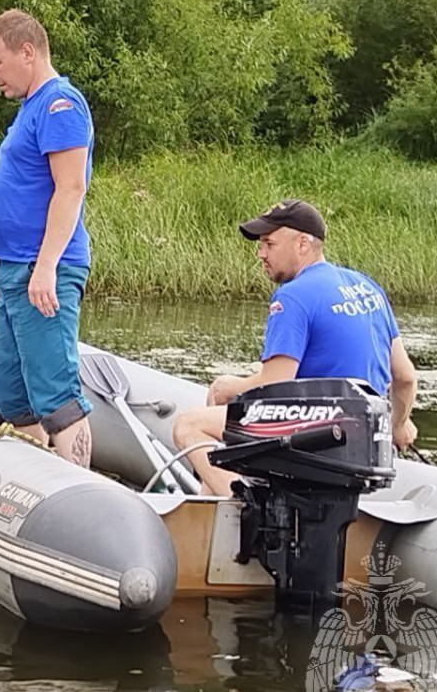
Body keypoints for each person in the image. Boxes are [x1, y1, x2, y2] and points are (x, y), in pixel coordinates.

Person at [171, 200, 418, 495]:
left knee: (188, 426)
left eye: (269, 243)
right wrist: (399, 425)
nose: (260, 254)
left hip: (316, 433)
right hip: (362, 436)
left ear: (302, 244)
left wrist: (229, 387)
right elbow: (405, 378)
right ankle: (215, 506)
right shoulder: (367, 287)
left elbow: (274, 386)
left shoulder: (292, 297)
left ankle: (243, 506)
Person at [0, 8, 94, 467]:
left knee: (54, 391)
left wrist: (45, 266)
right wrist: (0, 259)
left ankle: (81, 495)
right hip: (15, 263)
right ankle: (35, 479)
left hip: (44, 268)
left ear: (27, 52)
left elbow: (70, 188)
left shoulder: (59, 104)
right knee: (13, 391)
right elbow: (26, 189)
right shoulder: (31, 107)